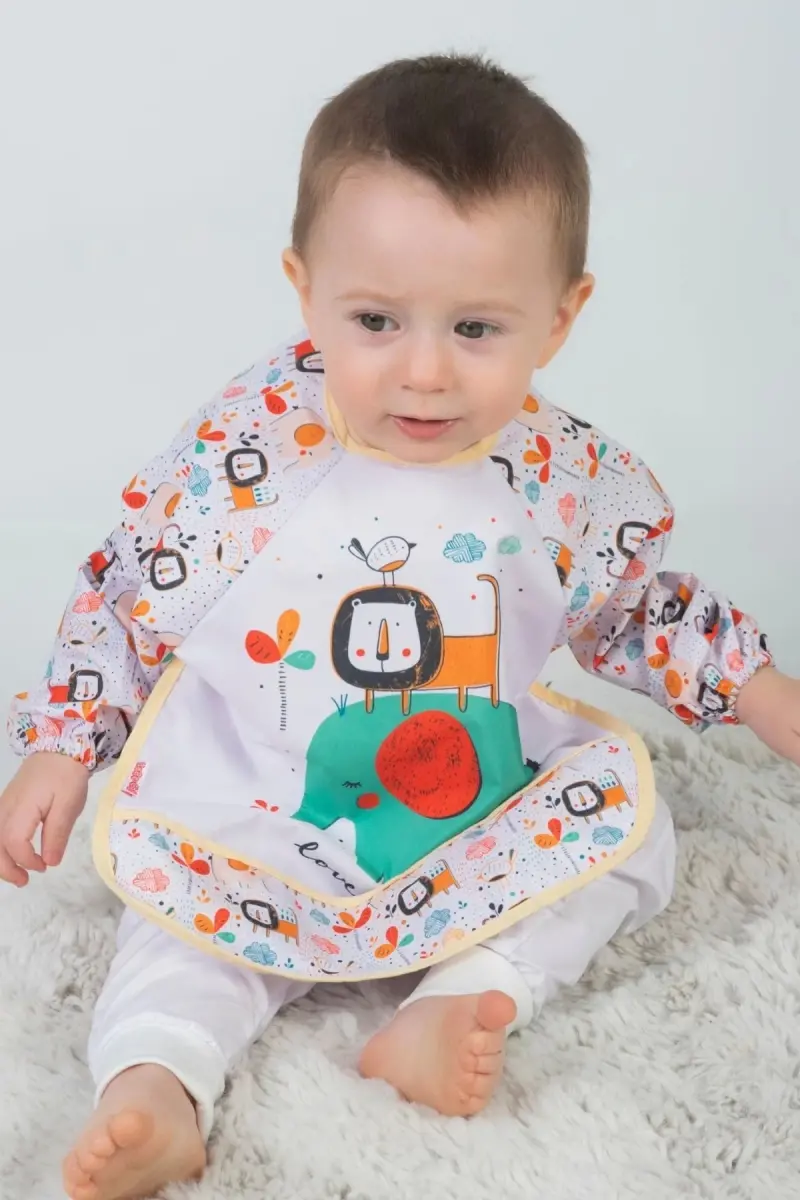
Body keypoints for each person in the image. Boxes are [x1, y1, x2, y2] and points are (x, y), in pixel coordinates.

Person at [1, 53, 797, 1200]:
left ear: (559, 318)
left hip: (470, 804)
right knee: (177, 932)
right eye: (373, 320)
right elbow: (129, 595)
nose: (421, 372)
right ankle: (157, 1082)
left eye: (474, 328)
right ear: (304, 287)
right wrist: (61, 746)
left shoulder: (551, 479)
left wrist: (759, 691)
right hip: (263, 801)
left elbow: (631, 611)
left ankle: (458, 997)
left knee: (629, 838)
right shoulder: (251, 455)